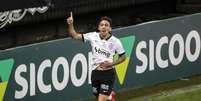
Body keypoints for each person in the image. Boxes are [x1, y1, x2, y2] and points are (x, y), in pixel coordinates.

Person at [67, 12, 126, 101]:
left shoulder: (116, 42)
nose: (104, 27)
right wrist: (70, 24)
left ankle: (108, 95)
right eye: (101, 25)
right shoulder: (92, 36)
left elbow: (123, 57)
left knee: (101, 99)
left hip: (108, 74)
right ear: (98, 27)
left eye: (106, 25)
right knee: (97, 96)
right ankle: (110, 96)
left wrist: (111, 64)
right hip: (95, 73)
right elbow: (74, 36)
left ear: (110, 28)